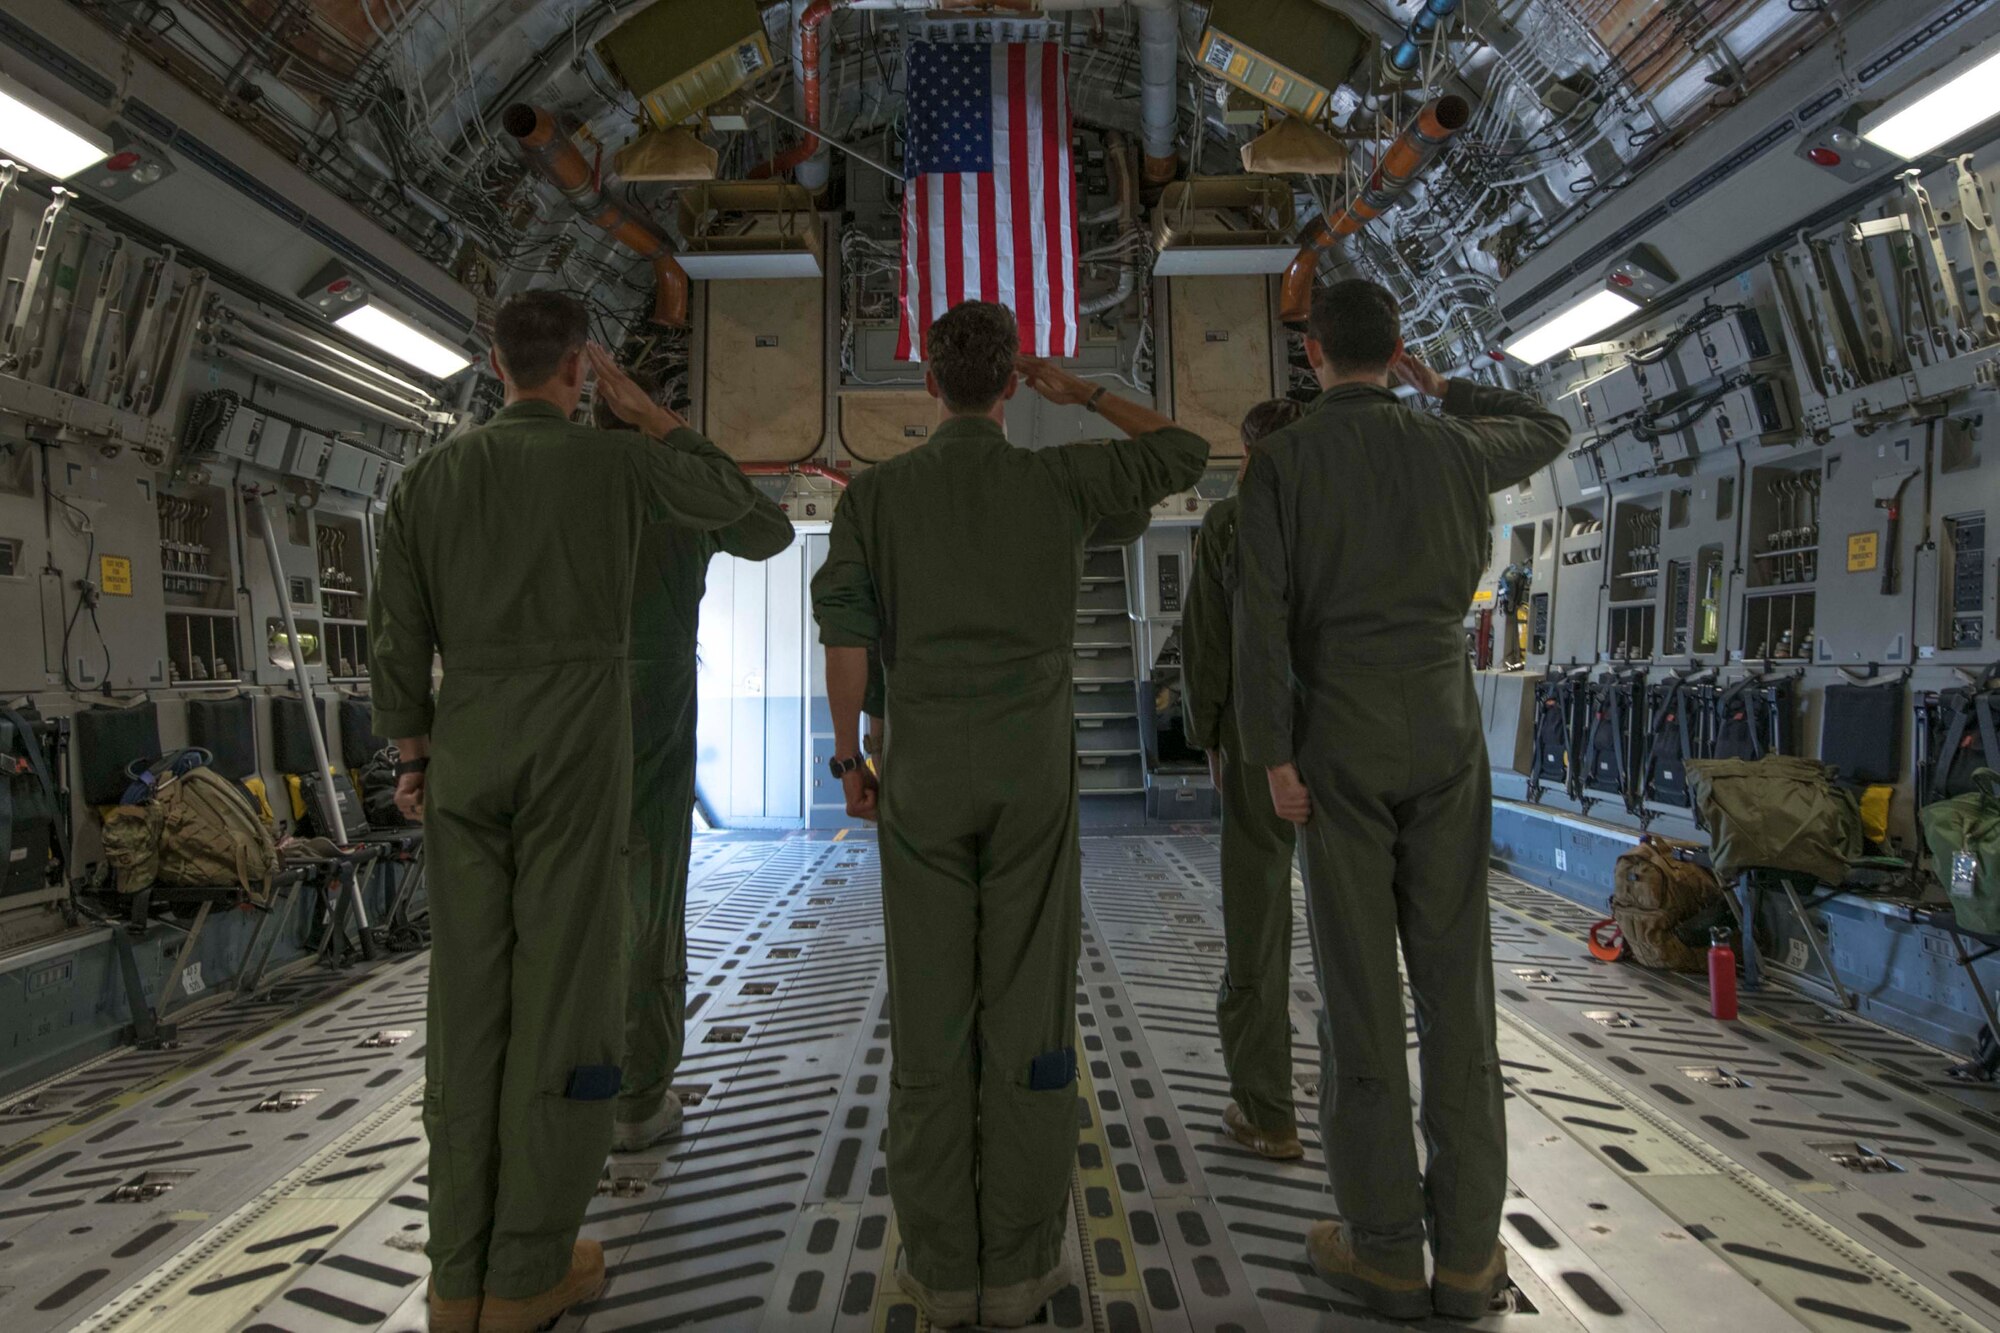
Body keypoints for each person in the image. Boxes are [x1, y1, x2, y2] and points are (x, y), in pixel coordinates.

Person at [369, 291, 766, 1333]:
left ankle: (455, 1278)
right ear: (580, 369)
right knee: (562, 1004)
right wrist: (654, 417)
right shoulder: (619, 467)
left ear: (494, 363)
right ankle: (531, 1268)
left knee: (465, 1013)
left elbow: (395, 638)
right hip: (576, 760)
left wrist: (413, 754)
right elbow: (742, 509)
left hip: (468, 754)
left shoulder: (425, 480)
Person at [810, 300, 1207, 1328]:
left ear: (929, 384)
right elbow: (1183, 449)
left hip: (922, 775)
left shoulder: (875, 498)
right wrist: (1082, 394)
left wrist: (850, 758)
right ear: (1007, 388)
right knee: (1027, 1010)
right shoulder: (1058, 479)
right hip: (1031, 776)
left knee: (932, 1014)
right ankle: (1021, 1269)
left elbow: (845, 639)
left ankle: (942, 1271)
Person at [1232, 279, 1569, 1322]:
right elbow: (1548, 424)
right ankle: (1469, 1255)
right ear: (1394, 351)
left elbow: (1261, 617)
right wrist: (1445, 387)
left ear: (1314, 355)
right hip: (1444, 727)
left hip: (1337, 734)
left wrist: (1270, 755)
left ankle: (1383, 1244)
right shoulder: (1455, 445)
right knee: (1455, 986)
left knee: (1358, 992)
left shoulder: (1282, 460)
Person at [590, 372, 795, 1152]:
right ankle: (637, 1095)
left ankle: (543, 1097)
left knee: (542, 905)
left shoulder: (519, 475)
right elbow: (769, 530)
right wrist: (675, 432)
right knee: (647, 897)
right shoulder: (676, 487)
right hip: (648, 710)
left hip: (536, 714)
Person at [1181, 397, 1306, 1162]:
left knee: (1258, 927)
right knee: (1361, 933)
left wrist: (1210, 739)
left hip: (1259, 743)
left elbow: (1207, 643)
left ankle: (1268, 1110)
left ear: (1250, 453)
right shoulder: (1350, 516)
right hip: (1350, 740)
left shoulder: (1229, 524)